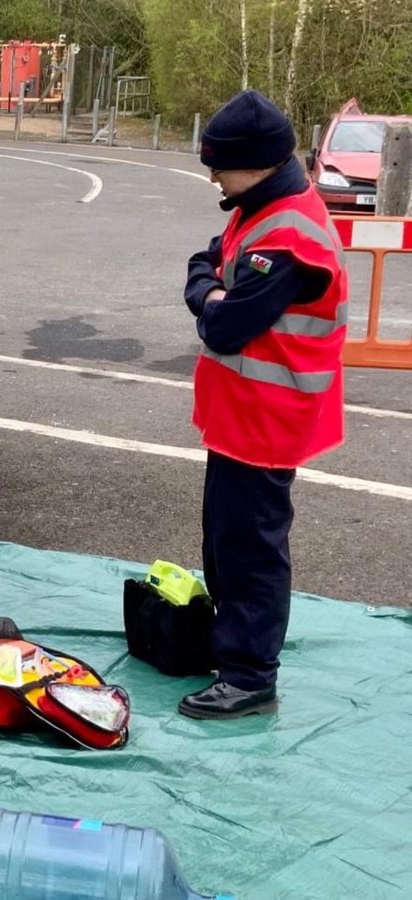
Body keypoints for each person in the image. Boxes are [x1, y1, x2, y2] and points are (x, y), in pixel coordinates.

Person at [181, 89, 347, 719]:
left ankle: (250, 675)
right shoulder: (258, 208)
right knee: (226, 541)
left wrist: (212, 301)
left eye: (219, 167)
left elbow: (226, 325)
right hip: (241, 416)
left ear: (255, 163)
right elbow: (205, 264)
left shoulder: (287, 233)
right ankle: (233, 651)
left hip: (268, 419)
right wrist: (213, 292)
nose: (214, 179)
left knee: (250, 547)